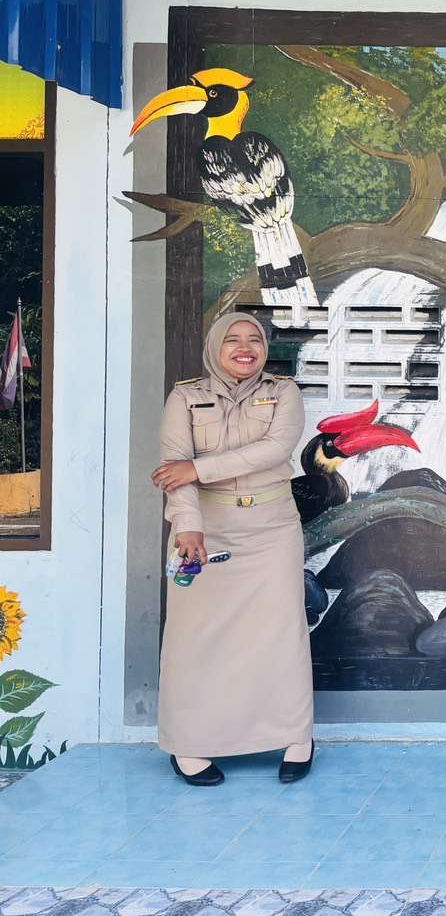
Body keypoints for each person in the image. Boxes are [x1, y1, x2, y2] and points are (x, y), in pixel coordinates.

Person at [151, 312, 314, 786]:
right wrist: (188, 527)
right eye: (233, 340)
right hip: (206, 527)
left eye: (254, 340)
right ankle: (190, 741)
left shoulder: (284, 392)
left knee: (280, 633)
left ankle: (294, 736)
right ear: (214, 348)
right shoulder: (185, 397)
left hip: (272, 528)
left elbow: (275, 449)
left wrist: (198, 469)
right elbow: (173, 469)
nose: (245, 348)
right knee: (194, 636)